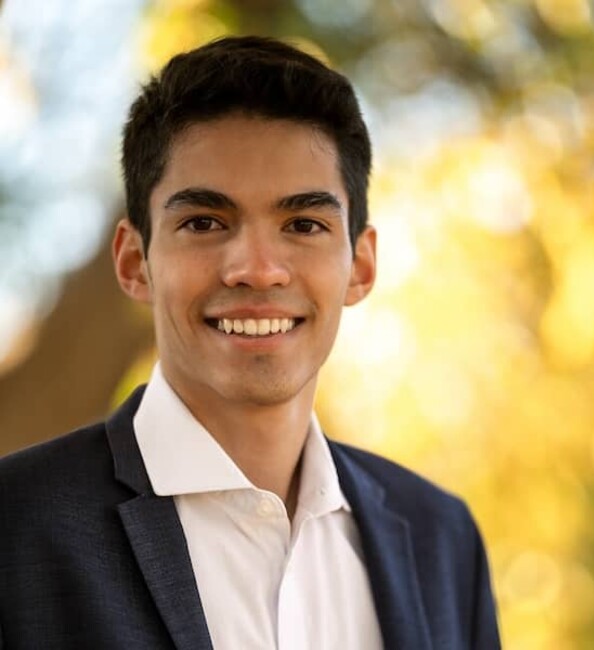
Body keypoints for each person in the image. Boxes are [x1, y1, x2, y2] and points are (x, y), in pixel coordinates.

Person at [0, 36, 500, 649]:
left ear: (361, 266)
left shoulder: (442, 541)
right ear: (135, 262)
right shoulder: (15, 528)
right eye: (205, 223)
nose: (258, 269)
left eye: (303, 225)